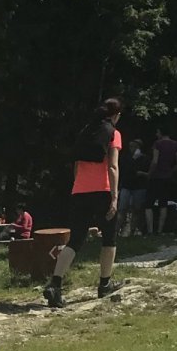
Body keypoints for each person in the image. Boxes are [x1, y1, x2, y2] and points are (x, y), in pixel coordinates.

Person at [43, 98, 123, 309]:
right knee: (109, 238)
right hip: (103, 191)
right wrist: (114, 197)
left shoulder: (85, 132)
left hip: (80, 192)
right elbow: (112, 167)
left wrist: (79, 188)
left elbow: (77, 167)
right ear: (116, 115)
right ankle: (104, 284)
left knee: (75, 240)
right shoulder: (113, 134)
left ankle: (55, 284)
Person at [146, 125, 177, 234]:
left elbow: (155, 161)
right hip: (167, 177)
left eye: (157, 132)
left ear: (161, 133)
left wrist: (149, 173)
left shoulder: (158, 144)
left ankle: (150, 230)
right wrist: (171, 171)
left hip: (156, 176)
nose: (156, 134)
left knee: (148, 204)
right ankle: (160, 230)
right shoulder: (175, 144)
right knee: (163, 203)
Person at [119, 137, 150, 237]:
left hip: (139, 186)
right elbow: (126, 170)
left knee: (137, 209)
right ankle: (117, 231)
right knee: (122, 209)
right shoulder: (126, 157)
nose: (131, 148)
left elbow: (146, 171)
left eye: (134, 147)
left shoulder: (145, 158)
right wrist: (133, 160)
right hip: (126, 186)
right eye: (130, 146)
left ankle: (132, 231)